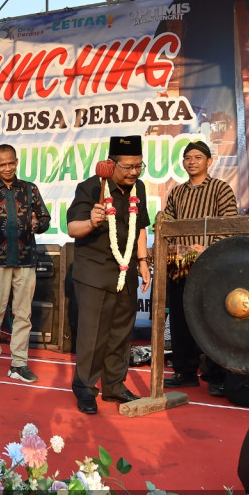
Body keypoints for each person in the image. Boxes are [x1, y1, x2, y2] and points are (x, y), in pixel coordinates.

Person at [66, 135, 151, 414]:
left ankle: (114, 385)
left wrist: (142, 261)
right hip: (94, 272)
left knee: (120, 333)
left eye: (139, 166)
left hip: (124, 270)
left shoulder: (138, 188)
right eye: (128, 167)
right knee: (92, 335)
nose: (134, 172)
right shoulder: (90, 188)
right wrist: (92, 220)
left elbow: (140, 227)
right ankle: (86, 389)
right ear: (110, 164)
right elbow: (72, 229)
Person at [161, 140, 239, 395]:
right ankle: (184, 373)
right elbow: (168, 225)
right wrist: (172, 247)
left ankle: (215, 377)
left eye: (197, 157)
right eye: (187, 158)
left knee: (212, 322)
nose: (192, 161)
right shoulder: (177, 192)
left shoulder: (221, 189)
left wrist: (207, 249)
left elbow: (230, 224)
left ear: (209, 161)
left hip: (210, 267)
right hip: (180, 268)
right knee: (181, 322)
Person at [0, 144, 51, 383]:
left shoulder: (30, 189)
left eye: (11, 163)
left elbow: (45, 218)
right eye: (2, 164)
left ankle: (19, 364)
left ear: (17, 162)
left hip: (26, 260)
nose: (7, 168)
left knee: (23, 315)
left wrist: (40, 225)